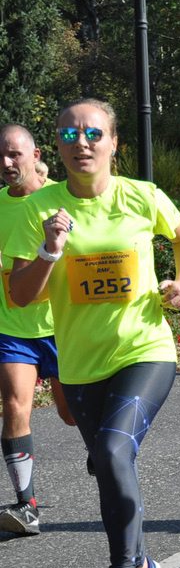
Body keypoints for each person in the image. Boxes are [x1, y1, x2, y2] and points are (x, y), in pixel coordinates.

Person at [9, 98, 180, 568]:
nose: (82, 143)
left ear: (114, 143)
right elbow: (20, 296)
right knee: (112, 466)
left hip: (144, 349)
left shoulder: (142, 195)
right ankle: (144, 566)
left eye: (93, 133)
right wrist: (50, 250)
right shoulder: (37, 209)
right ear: (57, 146)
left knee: (113, 451)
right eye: (69, 135)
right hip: (80, 365)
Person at [0, 125, 76, 536]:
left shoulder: (62, 201)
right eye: (0, 156)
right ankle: (25, 505)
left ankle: (104, 450)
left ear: (35, 155)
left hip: (63, 325)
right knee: (15, 405)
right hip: (13, 327)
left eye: (14, 154)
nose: (6, 163)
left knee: (71, 414)